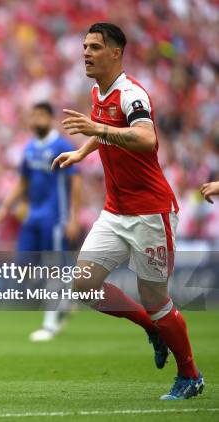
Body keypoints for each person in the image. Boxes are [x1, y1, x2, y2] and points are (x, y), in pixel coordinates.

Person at [52, 23, 203, 400]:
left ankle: (190, 375)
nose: (86, 52)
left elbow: (146, 137)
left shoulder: (131, 94)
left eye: (95, 47)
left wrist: (96, 127)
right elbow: (104, 130)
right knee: (84, 285)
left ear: (116, 52)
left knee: (156, 300)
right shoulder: (98, 91)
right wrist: (82, 151)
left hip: (151, 213)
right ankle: (152, 329)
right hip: (114, 211)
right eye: (84, 46)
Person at [0, 102, 81, 342]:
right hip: (33, 216)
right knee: (24, 265)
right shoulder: (30, 148)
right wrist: (5, 207)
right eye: (33, 115)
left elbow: (75, 181)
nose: (37, 119)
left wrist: (73, 216)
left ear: (51, 119)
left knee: (52, 267)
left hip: (55, 217)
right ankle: (66, 295)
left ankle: (51, 324)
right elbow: (23, 182)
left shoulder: (62, 145)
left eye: (42, 115)